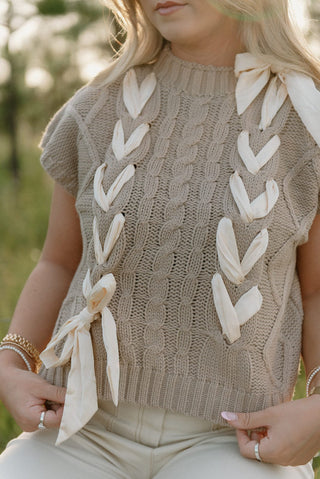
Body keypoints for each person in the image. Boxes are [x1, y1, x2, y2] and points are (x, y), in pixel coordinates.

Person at [0, 0, 320, 477]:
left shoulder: (307, 118)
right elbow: (59, 263)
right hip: (79, 426)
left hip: (232, 439)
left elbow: (315, 290)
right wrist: (10, 363)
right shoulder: (98, 105)